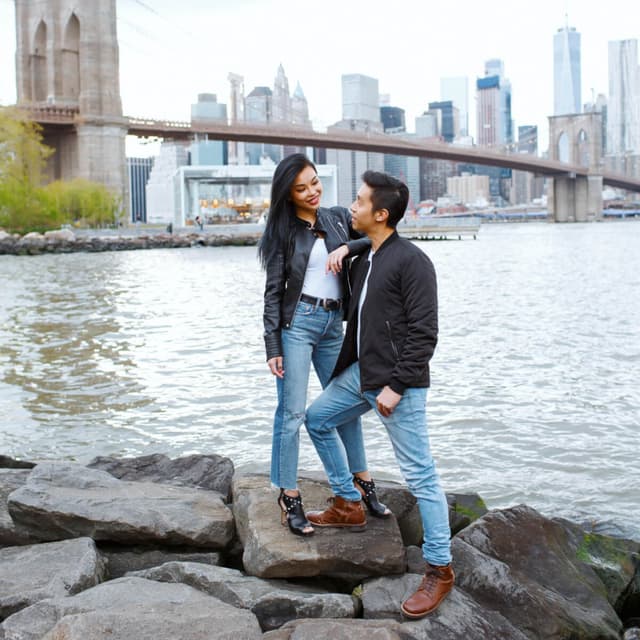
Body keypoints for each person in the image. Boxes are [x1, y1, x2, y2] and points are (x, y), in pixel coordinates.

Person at [304, 170, 454, 617]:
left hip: (396, 385)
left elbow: (425, 333)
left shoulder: (413, 261)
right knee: (317, 419)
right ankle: (348, 502)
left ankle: (440, 569)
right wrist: (351, 245)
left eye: (360, 201)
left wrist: (397, 385)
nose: (352, 206)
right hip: (360, 376)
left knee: (421, 476)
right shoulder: (368, 256)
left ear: (381, 213)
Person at [258, 153, 390, 538]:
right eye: (301, 188)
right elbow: (272, 294)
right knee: (292, 413)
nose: (312, 191)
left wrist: (348, 248)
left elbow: (378, 236)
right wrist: (273, 346)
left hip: (335, 325)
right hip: (297, 325)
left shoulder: (334, 217)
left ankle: (361, 482)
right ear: (288, 193)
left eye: (314, 182)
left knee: (344, 407)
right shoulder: (282, 231)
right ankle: (289, 494)